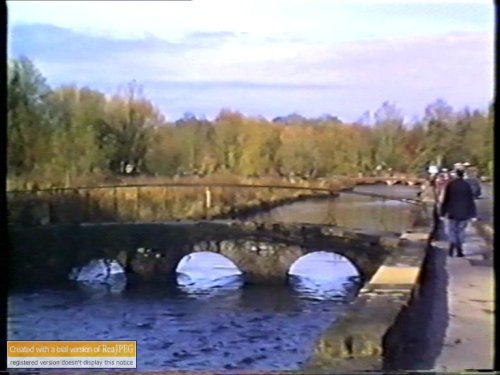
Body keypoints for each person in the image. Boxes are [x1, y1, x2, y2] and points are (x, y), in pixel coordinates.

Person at [440, 168, 477, 257]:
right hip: (464, 213)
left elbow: (446, 199)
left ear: (456, 175)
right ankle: (459, 250)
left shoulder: (451, 185)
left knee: (452, 231)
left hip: (452, 212)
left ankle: (452, 246)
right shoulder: (467, 185)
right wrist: (473, 214)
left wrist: (442, 213)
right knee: (461, 232)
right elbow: (470, 200)